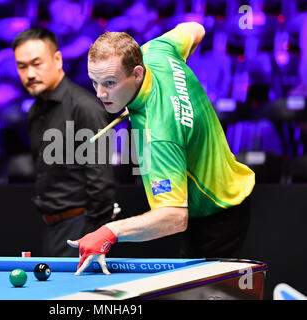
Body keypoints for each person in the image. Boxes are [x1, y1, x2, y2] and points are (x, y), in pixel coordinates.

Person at [67, 22, 255, 274]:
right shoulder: (158, 51)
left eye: (110, 83)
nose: (100, 93)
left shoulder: (158, 135)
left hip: (216, 212)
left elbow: (174, 218)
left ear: (136, 74)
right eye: (95, 82)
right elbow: (195, 28)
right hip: (227, 185)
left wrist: (110, 231)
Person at [12, 27, 117, 257]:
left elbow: (101, 183)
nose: (29, 73)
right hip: (51, 227)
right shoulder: (35, 110)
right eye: (22, 66)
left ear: (57, 59)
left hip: (81, 229)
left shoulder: (84, 107)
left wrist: (91, 238)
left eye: (36, 63)